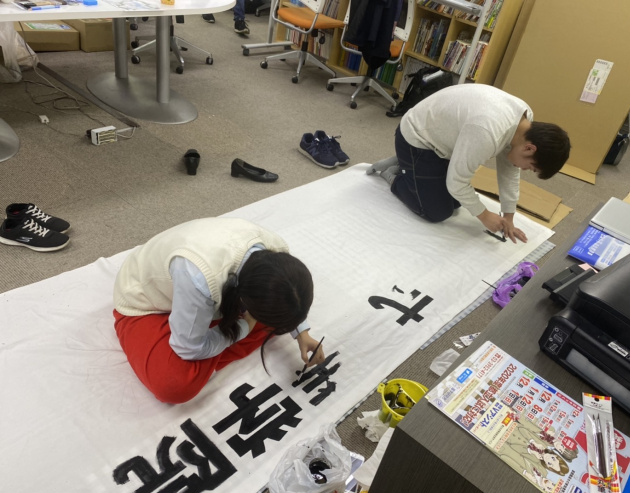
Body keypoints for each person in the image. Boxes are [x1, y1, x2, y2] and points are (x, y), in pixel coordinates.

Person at [112, 217, 324, 404]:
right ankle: (235, 333)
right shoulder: (199, 279)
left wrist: (301, 332)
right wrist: (245, 326)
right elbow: (187, 349)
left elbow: (285, 290)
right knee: (173, 385)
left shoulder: (276, 252)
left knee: (276, 315)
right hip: (144, 299)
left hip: (200, 288)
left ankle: (224, 337)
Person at [368, 84, 571, 243]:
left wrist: (508, 216)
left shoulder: (525, 123)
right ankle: (396, 174)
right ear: (529, 148)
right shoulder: (487, 132)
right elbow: (456, 183)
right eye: (530, 167)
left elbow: (509, 171)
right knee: (436, 212)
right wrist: (484, 215)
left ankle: (409, 165)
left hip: (443, 142)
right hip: (417, 138)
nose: (524, 169)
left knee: (456, 203)